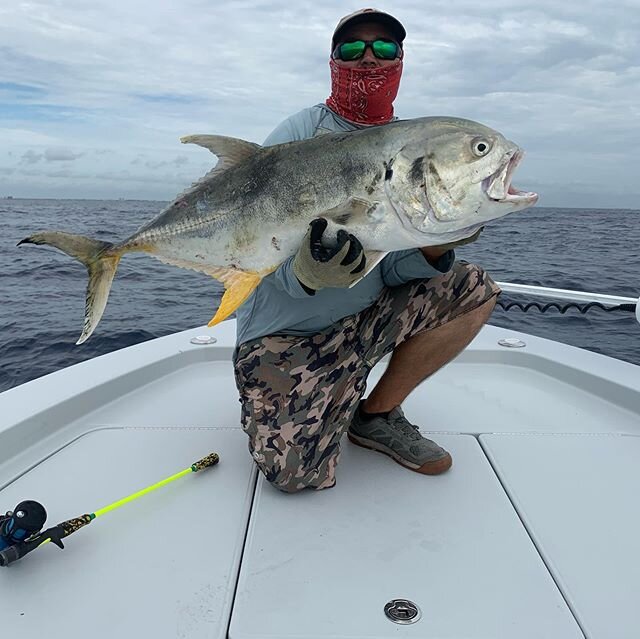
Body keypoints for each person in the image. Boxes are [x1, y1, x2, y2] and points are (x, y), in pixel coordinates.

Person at [233, 8, 500, 493]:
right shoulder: (299, 134)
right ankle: (323, 391)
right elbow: (249, 239)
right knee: (296, 477)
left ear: (401, 60)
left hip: (365, 322)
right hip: (286, 334)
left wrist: (437, 241)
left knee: (471, 288)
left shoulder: (411, 144)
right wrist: (308, 274)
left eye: (385, 48)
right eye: (354, 49)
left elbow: (395, 265)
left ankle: (374, 416)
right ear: (334, 60)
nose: (370, 59)